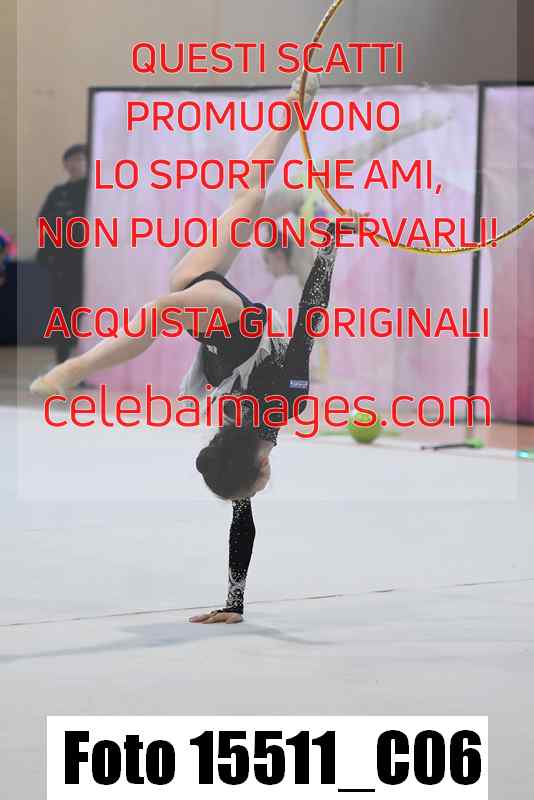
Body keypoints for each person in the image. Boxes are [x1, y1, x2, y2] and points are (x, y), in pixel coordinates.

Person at [30, 78, 357, 624]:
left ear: (258, 465)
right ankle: (293, 108)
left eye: (250, 488)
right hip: (209, 301)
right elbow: (242, 522)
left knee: (165, 305)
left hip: (224, 315)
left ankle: (74, 367)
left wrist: (330, 246)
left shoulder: (275, 413)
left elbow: (309, 322)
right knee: (247, 198)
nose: (252, 496)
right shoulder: (244, 437)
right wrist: (234, 603)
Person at [36, 144, 88, 364]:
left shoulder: (95, 192)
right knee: (62, 310)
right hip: (62, 263)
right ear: (65, 164)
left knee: (84, 311)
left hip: (87, 263)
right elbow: (43, 221)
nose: (75, 164)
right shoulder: (59, 193)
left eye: (80, 159)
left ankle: (84, 361)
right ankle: (62, 360)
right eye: (71, 160)